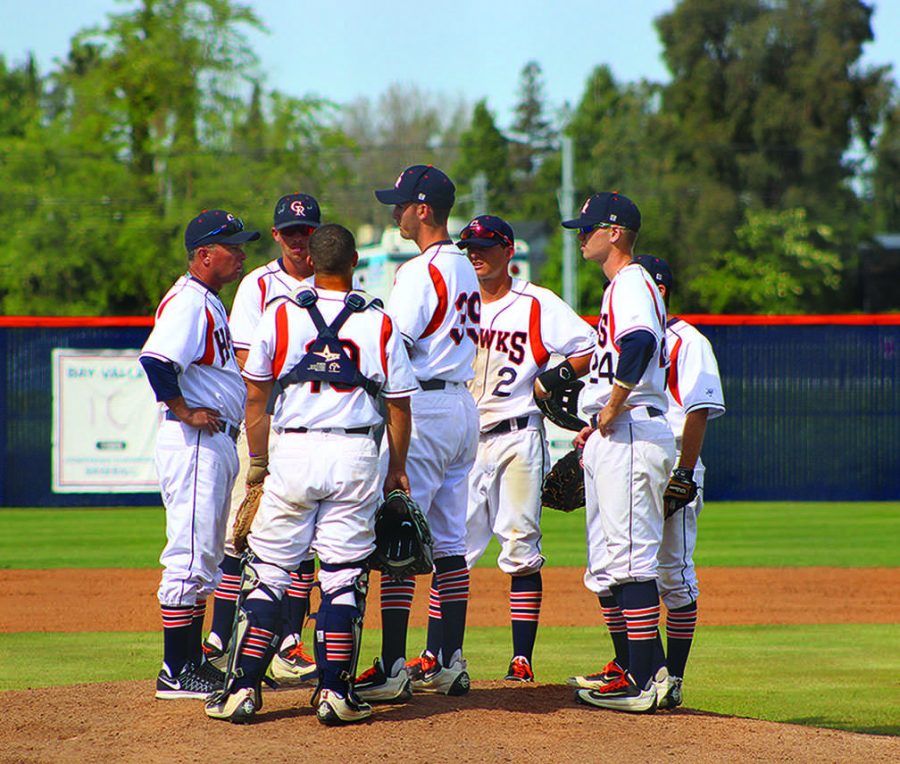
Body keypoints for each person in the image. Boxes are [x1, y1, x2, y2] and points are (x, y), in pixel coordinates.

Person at [204, 223, 416, 725]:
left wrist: (258, 461)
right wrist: (397, 470)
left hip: (293, 449)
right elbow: (400, 407)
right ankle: (334, 693)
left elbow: (256, 396)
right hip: (355, 455)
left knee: (270, 571)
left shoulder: (281, 314)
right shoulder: (378, 322)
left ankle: (242, 690)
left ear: (312, 261)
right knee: (343, 576)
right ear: (356, 260)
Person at [447, 214, 594, 682]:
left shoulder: (535, 302)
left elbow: (588, 346)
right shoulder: (455, 304)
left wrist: (555, 377)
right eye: (469, 245)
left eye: (486, 246)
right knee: (453, 549)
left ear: (509, 251)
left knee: (520, 546)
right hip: (466, 440)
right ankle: (444, 654)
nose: (476, 253)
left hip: (518, 436)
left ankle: (521, 659)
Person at [354, 165, 480, 702]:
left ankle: (393, 664)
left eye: (401, 204)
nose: (395, 212)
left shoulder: (419, 272)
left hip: (424, 407)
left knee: (399, 537)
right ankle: (450, 660)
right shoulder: (468, 269)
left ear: (423, 209)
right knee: (451, 542)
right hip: (461, 406)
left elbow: (393, 344)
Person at [561, 193, 676, 714]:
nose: (580, 236)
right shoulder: (620, 286)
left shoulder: (631, 281)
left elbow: (641, 343)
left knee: (631, 560)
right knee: (617, 561)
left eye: (587, 229)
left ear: (615, 232)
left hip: (633, 430)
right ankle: (638, 671)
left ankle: (648, 679)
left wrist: (612, 403)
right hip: (619, 433)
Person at [139, 209, 260, 699]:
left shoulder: (206, 301)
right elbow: (156, 360)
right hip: (194, 443)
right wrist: (185, 410)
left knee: (205, 559)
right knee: (189, 558)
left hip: (214, 443)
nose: (242, 254)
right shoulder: (189, 301)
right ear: (204, 254)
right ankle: (175, 669)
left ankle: (191, 662)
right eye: (232, 245)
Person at [204, 193, 323, 688]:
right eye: (289, 232)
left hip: (316, 423)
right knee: (242, 528)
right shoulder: (258, 283)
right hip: (267, 419)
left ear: (317, 232)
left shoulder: (332, 279)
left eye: (306, 230)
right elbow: (251, 356)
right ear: (276, 235)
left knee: (306, 538)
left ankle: (290, 642)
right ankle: (219, 636)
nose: (298, 239)